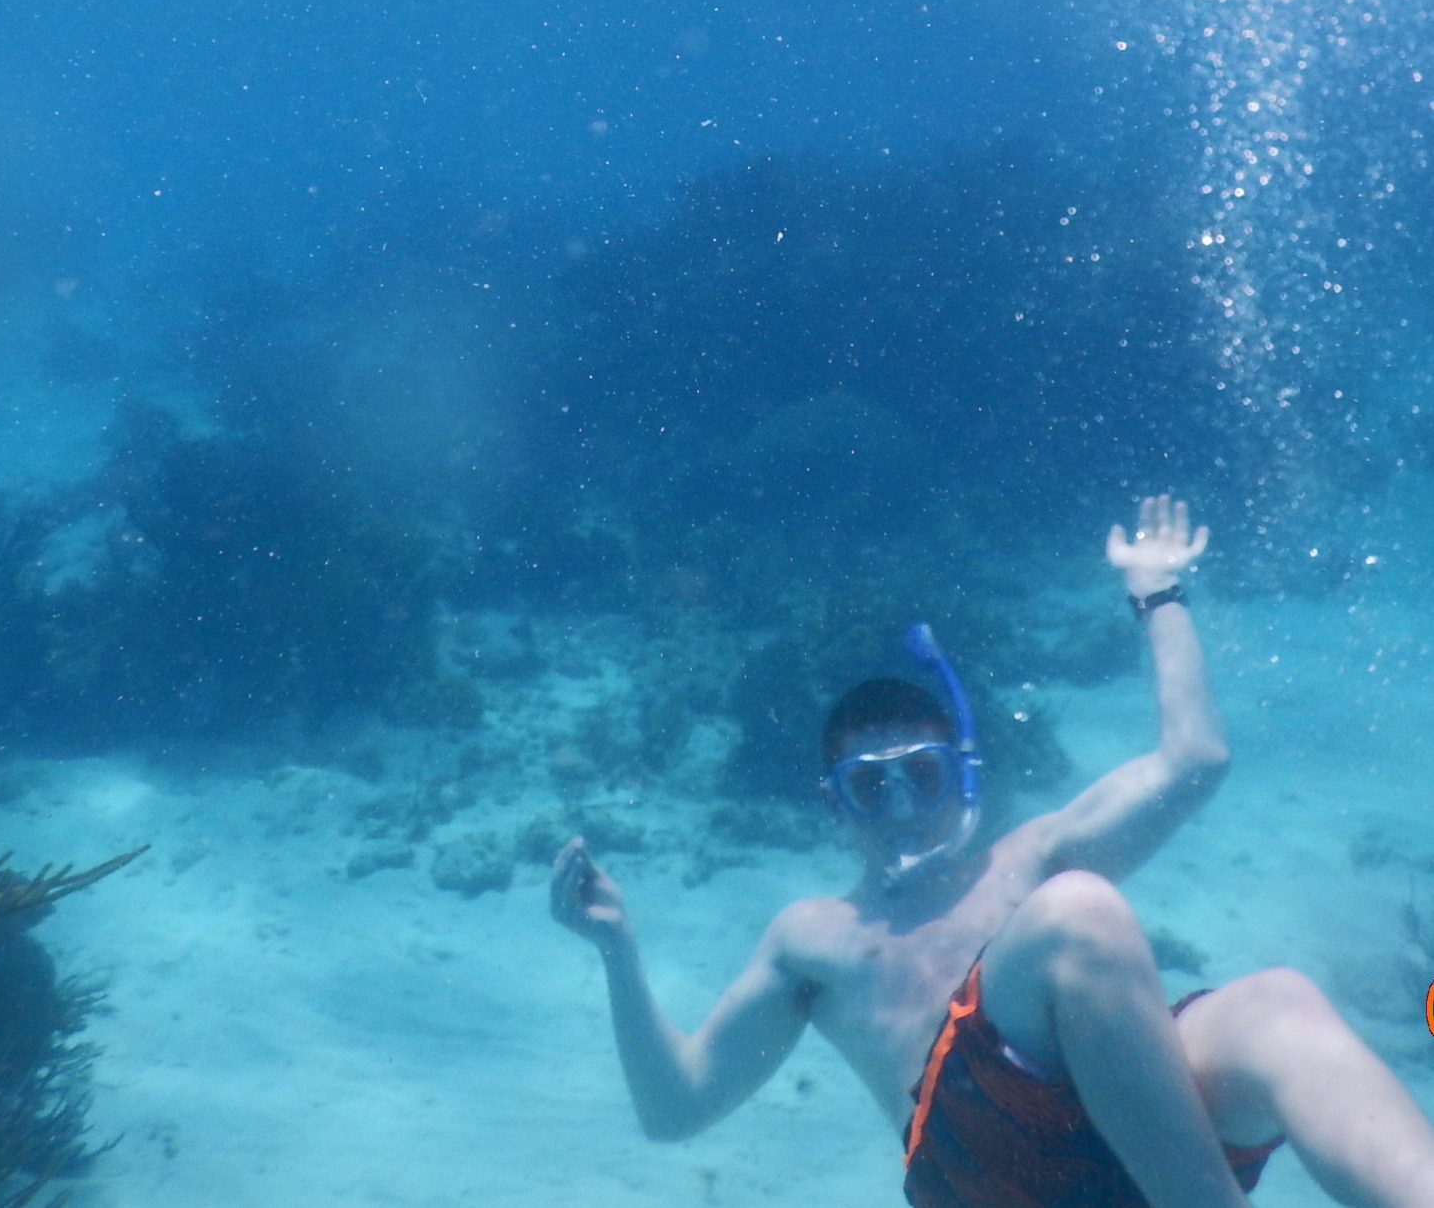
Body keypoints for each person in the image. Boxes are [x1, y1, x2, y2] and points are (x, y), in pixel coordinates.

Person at [551, 497, 1434, 1208]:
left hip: (1138, 1153)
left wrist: (1156, 595)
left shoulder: (1032, 855)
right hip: (984, 1179)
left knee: (1278, 1005)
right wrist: (616, 948)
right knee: (1076, 910)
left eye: (922, 778)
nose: (901, 809)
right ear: (834, 805)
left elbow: (1196, 760)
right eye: (870, 787)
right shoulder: (815, 937)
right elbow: (675, 1110)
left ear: (961, 774)